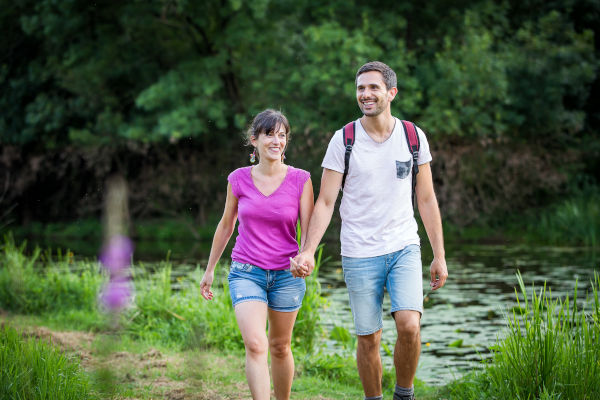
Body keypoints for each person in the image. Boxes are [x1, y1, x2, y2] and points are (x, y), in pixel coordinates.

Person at [292, 61, 448, 400]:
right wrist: (306, 250)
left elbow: (426, 197)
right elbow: (326, 201)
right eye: (361, 88)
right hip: (359, 251)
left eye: (373, 87)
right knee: (369, 337)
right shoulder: (343, 139)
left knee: (409, 325)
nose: (366, 94)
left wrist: (439, 255)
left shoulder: (412, 135)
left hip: (404, 245)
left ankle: (404, 395)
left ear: (391, 93)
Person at [199, 109, 314, 400]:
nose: (277, 141)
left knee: (279, 346)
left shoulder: (301, 180)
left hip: (287, 277)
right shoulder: (238, 179)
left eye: (282, 135)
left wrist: (305, 258)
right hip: (246, 272)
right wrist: (210, 268)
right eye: (269, 134)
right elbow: (227, 224)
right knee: (255, 344)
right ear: (254, 140)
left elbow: (309, 231)